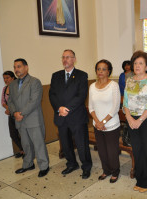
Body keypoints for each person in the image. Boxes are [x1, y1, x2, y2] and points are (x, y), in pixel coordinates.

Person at [49, 49, 92, 179]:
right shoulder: (56, 75)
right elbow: (52, 94)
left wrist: (67, 108)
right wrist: (59, 108)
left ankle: (86, 167)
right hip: (61, 116)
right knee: (66, 144)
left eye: (68, 57)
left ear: (74, 59)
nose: (65, 59)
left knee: (81, 144)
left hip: (76, 116)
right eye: (63, 57)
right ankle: (71, 164)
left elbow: (81, 95)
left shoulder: (82, 75)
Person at [123, 51, 147, 193]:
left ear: (146, 66)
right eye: (135, 63)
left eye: (141, 63)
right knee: (137, 149)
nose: (137, 66)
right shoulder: (130, 80)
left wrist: (140, 120)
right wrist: (130, 119)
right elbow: (125, 101)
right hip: (132, 119)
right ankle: (140, 178)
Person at [8, 58, 49, 177]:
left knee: (38, 144)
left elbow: (34, 101)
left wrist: (21, 113)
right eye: (15, 67)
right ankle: (28, 164)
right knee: (25, 144)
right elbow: (10, 101)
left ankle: (44, 166)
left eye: (19, 66)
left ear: (26, 67)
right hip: (19, 120)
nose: (16, 69)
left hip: (33, 119)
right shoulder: (13, 84)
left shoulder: (34, 82)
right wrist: (14, 112)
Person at [89, 59, 121, 183]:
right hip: (97, 125)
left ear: (109, 72)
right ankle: (106, 170)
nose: (101, 71)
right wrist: (97, 122)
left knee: (112, 151)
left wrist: (103, 122)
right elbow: (91, 107)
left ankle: (115, 171)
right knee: (102, 150)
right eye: (98, 69)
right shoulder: (92, 86)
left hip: (111, 124)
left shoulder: (113, 85)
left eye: (104, 69)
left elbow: (115, 107)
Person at [2, 71, 24, 158]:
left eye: (7, 77)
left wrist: (10, 109)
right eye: (4, 78)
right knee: (13, 134)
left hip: (19, 113)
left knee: (23, 133)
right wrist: (8, 108)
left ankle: (27, 151)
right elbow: (3, 102)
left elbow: (19, 101)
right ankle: (23, 149)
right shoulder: (4, 89)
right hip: (11, 115)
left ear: (12, 77)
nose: (5, 80)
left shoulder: (17, 86)